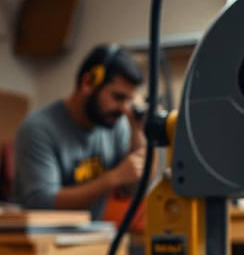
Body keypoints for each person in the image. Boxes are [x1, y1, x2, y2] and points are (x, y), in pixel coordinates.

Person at [13, 44, 147, 219]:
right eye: (118, 97)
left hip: (88, 238)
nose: (123, 108)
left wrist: (138, 131)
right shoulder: (39, 127)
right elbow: (43, 202)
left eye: (128, 100)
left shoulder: (116, 125)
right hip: (40, 241)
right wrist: (112, 178)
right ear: (88, 83)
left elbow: (134, 190)